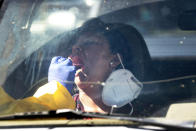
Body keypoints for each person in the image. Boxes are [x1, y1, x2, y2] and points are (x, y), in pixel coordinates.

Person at [47, 18, 151, 114]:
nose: (76, 49)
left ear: (114, 60)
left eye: (89, 43)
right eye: (74, 46)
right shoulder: (57, 108)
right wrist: (54, 98)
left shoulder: (144, 115)